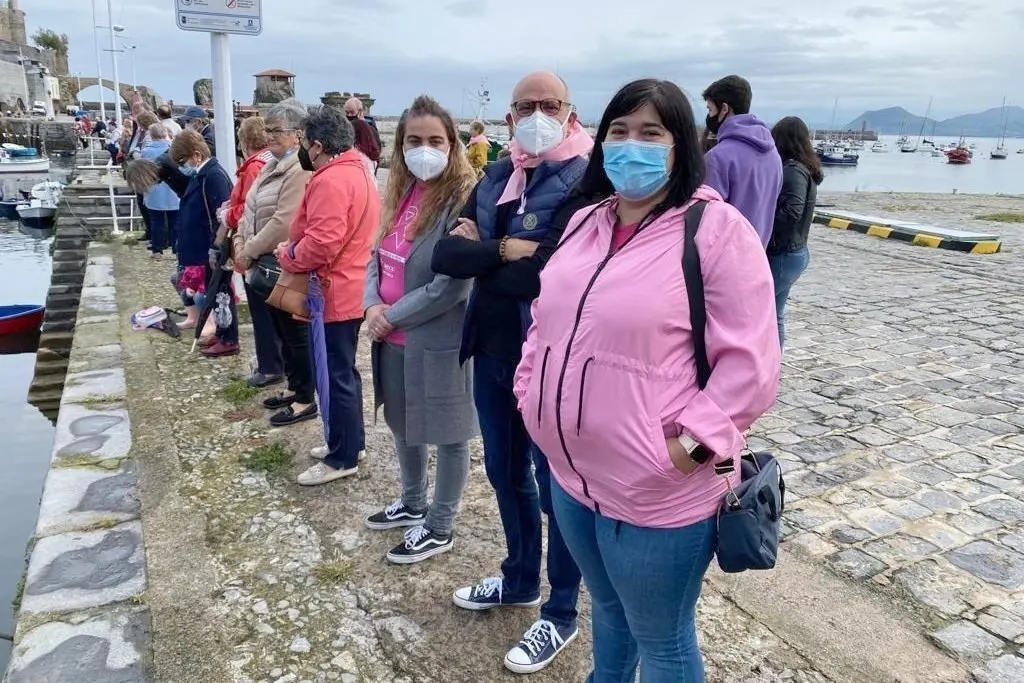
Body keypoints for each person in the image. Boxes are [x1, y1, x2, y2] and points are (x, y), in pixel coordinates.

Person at [513, 78, 781, 683]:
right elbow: (543, 320)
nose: (631, 146)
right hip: (572, 479)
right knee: (607, 610)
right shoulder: (586, 221)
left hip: (662, 494)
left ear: (680, 147)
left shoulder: (716, 232)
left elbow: (751, 373)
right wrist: (529, 396)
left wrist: (682, 456)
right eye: (619, 131)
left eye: (651, 133)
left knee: (663, 640)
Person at [432, 70, 594, 675]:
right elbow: (447, 254)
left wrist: (487, 254)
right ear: (508, 116)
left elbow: (548, 274)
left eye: (547, 104)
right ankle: (519, 578)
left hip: (547, 359)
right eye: (524, 105)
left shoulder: (583, 179)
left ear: (569, 111)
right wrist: (502, 250)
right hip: (493, 348)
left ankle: (561, 611)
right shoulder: (499, 174)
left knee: (558, 490)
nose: (535, 114)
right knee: (504, 473)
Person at [361, 95, 479, 565]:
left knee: (450, 435)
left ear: (451, 145)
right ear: (401, 146)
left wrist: (390, 315)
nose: (424, 149)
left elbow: (451, 287)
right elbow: (377, 257)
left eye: (435, 140)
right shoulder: (401, 192)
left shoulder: (462, 201)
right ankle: (412, 502)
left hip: (436, 340)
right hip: (390, 337)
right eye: (414, 140)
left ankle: (441, 523)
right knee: (404, 426)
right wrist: (372, 304)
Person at [275, 106, 380, 485]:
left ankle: (342, 456)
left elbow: (322, 242)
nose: (302, 148)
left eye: (304, 142)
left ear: (317, 145)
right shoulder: (358, 171)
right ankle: (350, 441)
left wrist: (289, 254)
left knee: (334, 374)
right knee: (343, 372)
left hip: (333, 290)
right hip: (352, 286)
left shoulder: (331, 180)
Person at [233, 100, 312, 396]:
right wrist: (241, 243)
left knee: (293, 334)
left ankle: (302, 393)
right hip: (259, 258)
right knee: (279, 328)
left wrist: (249, 250)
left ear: (298, 134)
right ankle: (293, 388)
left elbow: (284, 222)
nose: (270, 135)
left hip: (279, 263)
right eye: (267, 129)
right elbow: (248, 210)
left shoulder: (300, 169)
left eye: (277, 130)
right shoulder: (269, 165)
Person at [200, 117, 274, 359]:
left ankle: (264, 359)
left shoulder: (254, 167)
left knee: (259, 308)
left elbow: (250, 207)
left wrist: (226, 214)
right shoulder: (268, 161)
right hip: (259, 241)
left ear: (244, 141)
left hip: (250, 241)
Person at [702, 75, 782, 247]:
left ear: (724, 108)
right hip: (758, 253)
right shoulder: (773, 153)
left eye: (709, 109)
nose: (708, 116)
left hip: (725, 258)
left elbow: (706, 220)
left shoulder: (717, 157)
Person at [169, 130, 234, 340]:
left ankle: (218, 329)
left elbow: (221, 215)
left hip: (206, 247)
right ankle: (202, 320)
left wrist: (215, 245)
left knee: (210, 291)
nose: (182, 167)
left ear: (196, 155)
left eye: (182, 161)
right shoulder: (202, 175)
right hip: (196, 246)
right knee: (197, 288)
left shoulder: (213, 176)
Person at [769, 116, 821, 349]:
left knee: (761, 309)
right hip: (795, 251)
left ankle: (765, 364)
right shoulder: (805, 169)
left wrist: (763, 222)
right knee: (775, 313)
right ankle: (773, 363)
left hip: (784, 253)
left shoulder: (793, 171)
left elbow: (792, 211)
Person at [140, 123, 179, 259]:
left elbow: (144, 173)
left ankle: (157, 250)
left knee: (156, 220)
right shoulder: (173, 149)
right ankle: (176, 249)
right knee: (175, 221)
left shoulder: (146, 152)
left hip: (154, 189)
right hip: (173, 189)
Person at [344, 97, 380, 175]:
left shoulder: (371, 130)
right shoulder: (344, 129)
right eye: (347, 113)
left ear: (360, 111)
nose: (349, 115)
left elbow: (376, 153)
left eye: (352, 112)